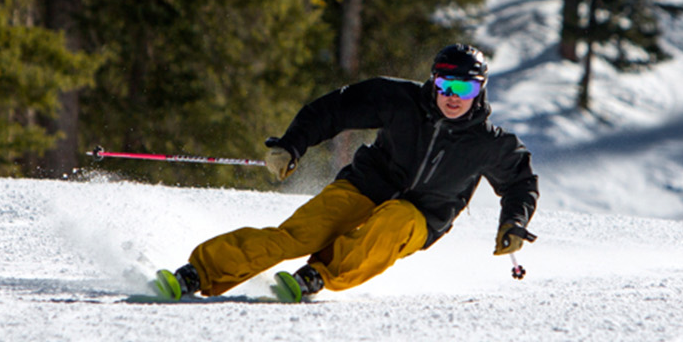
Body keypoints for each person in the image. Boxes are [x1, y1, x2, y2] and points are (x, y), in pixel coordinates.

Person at [153, 44, 539, 302]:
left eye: (465, 87)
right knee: (298, 235)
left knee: (393, 219)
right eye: (445, 83)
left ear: (480, 90)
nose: (453, 96)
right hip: (366, 186)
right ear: (433, 81)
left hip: (421, 216)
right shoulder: (399, 101)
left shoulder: (490, 143)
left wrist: (514, 223)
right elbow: (337, 108)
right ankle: (198, 273)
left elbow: (520, 181)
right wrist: (293, 144)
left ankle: (317, 276)